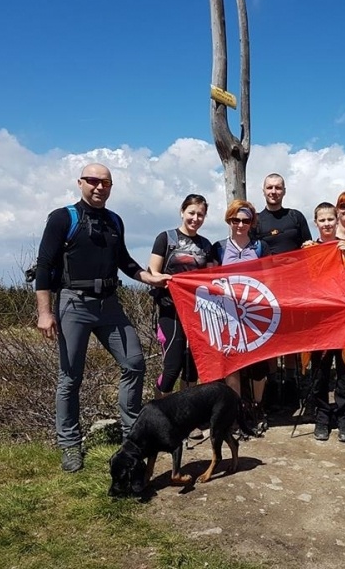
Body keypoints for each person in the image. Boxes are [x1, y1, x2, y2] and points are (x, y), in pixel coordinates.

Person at [35, 162, 163, 472]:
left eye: (105, 182)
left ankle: (131, 434)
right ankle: (70, 444)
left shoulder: (114, 221)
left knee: (134, 362)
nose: (99, 187)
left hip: (109, 304)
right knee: (70, 378)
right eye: (92, 181)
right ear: (80, 183)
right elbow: (44, 265)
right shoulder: (63, 218)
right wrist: (45, 313)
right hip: (73, 304)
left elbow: (124, 261)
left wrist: (148, 277)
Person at [251, 173, 313, 409]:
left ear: (284, 191)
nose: (273, 192)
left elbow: (309, 249)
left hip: (294, 288)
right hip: (266, 289)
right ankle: (271, 385)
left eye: (278, 188)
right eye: (270, 187)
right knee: (270, 337)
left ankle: (290, 385)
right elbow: (251, 254)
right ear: (263, 190)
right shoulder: (256, 221)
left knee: (290, 338)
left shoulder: (295, 217)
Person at [147, 194, 217, 403]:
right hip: (170, 310)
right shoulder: (166, 238)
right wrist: (167, 281)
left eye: (200, 215)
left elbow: (210, 278)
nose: (195, 218)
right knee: (172, 366)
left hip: (196, 311)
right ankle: (159, 412)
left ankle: (186, 412)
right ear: (182, 212)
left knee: (192, 366)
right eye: (191, 213)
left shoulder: (206, 245)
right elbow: (153, 272)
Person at [211, 200, 272, 434]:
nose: (240, 224)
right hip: (227, 313)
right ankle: (235, 411)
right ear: (229, 220)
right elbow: (209, 279)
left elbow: (270, 278)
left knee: (258, 364)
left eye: (246, 220)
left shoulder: (260, 247)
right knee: (232, 363)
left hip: (254, 314)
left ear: (252, 222)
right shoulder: (218, 248)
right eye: (235, 220)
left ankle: (257, 407)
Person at [303, 202, 345, 442]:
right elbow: (304, 279)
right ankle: (322, 418)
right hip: (319, 317)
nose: (326, 224)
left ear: (337, 221)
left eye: (330, 219)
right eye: (322, 220)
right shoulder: (309, 248)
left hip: (343, 315)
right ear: (316, 223)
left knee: (344, 369)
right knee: (320, 369)